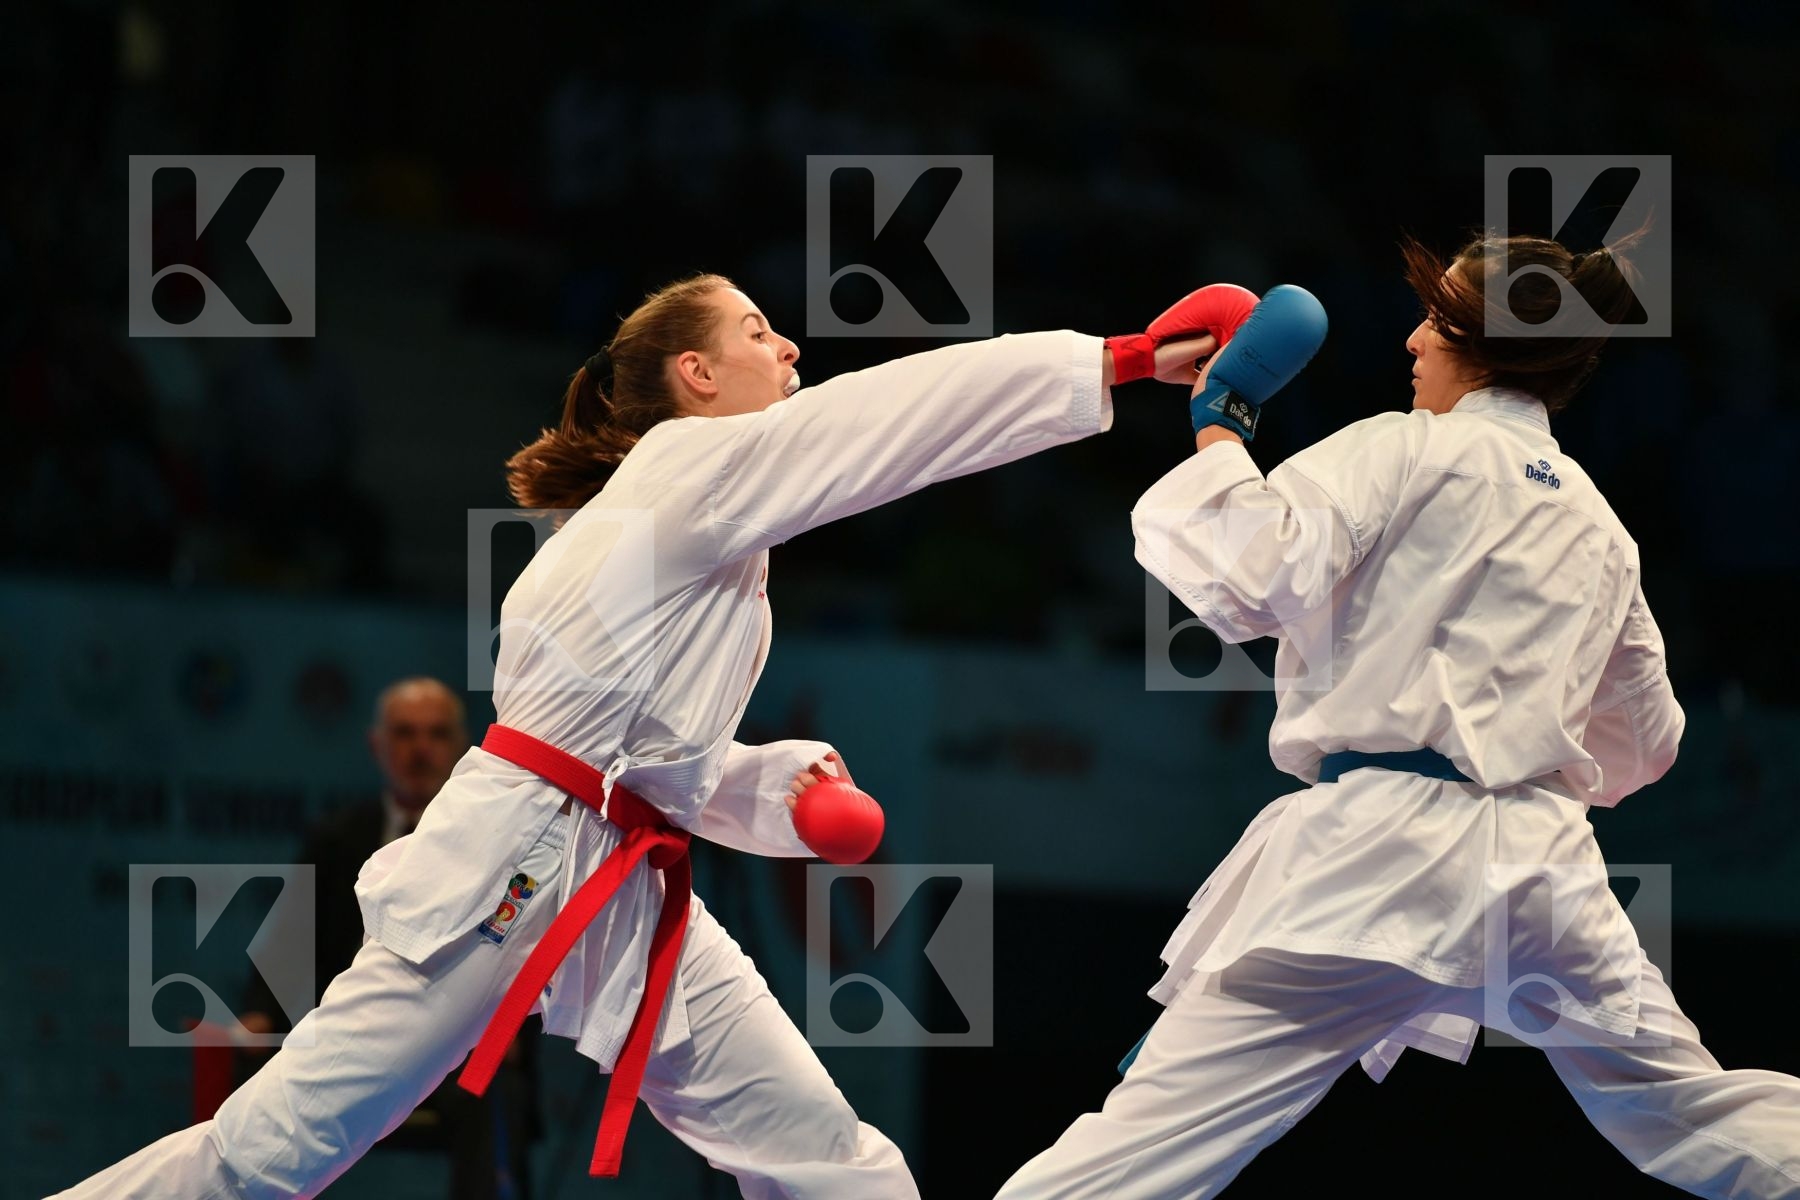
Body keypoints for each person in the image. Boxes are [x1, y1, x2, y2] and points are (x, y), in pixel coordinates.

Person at [51, 272, 1225, 1199]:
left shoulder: (692, 530)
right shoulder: (687, 466)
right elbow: (890, 421)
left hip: (620, 877)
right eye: (763, 333)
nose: (795, 353)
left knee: (831, 1164)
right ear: (696, 373)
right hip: (508, 868)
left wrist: (786, 784)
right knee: (270, 1157)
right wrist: (1110, 361)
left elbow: (665, 769)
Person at [995, 234, 1800, 1199]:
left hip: (1377, 862)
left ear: (1480, 342)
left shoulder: (1405, 448)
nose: (1413, 340)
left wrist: (1220, 427)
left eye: (1435, 318)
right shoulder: (1599, 522)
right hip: (1546, 872)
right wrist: (1519, 746)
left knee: (1140, 1150)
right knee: (1690, 1110)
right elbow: (1648, 743)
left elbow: (1252, 574)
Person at [236, 677, 540, 1200]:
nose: (420, 748)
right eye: (404, 733)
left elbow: (527, 950)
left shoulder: (501, 843)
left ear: (462, 745)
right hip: (341, 1039)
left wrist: (506, 1025)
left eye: (436, 733)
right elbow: (283, 953)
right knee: (253, 1074)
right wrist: (256, 1019)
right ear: (377, 745)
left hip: (453, 1047)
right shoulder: (334, 839)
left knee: (494, 1086)